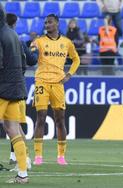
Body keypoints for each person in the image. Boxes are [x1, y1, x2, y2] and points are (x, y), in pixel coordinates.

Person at [30, 14, 80, 166]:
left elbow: (76, 59)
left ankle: (61, 156)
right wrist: (31, 50)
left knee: (60, 119)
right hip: (41, 82)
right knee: (41, 117)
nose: (47, 24)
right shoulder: (39, 41)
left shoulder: (67, 42)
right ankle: (38, 156)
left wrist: (69, 75)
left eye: (50, 22)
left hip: (58, 83)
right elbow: (31, 56)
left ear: (57, 24)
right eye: (45, 22)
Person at [0, 5, 29, 184]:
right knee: (12, 130)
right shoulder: (12, 33)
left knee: (12, 130)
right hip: (16, 87)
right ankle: (23, 174)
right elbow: (24, 62)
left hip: (2, 87)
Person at [6, 13, 37, 168]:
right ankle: (25, 159)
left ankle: (22, 159)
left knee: (13, 126)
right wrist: (34, 50)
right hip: (18, 86)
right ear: (15, 23)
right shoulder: (19, 40)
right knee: (16, 125)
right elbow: (32, 60)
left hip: (5, 87)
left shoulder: (4, 39)